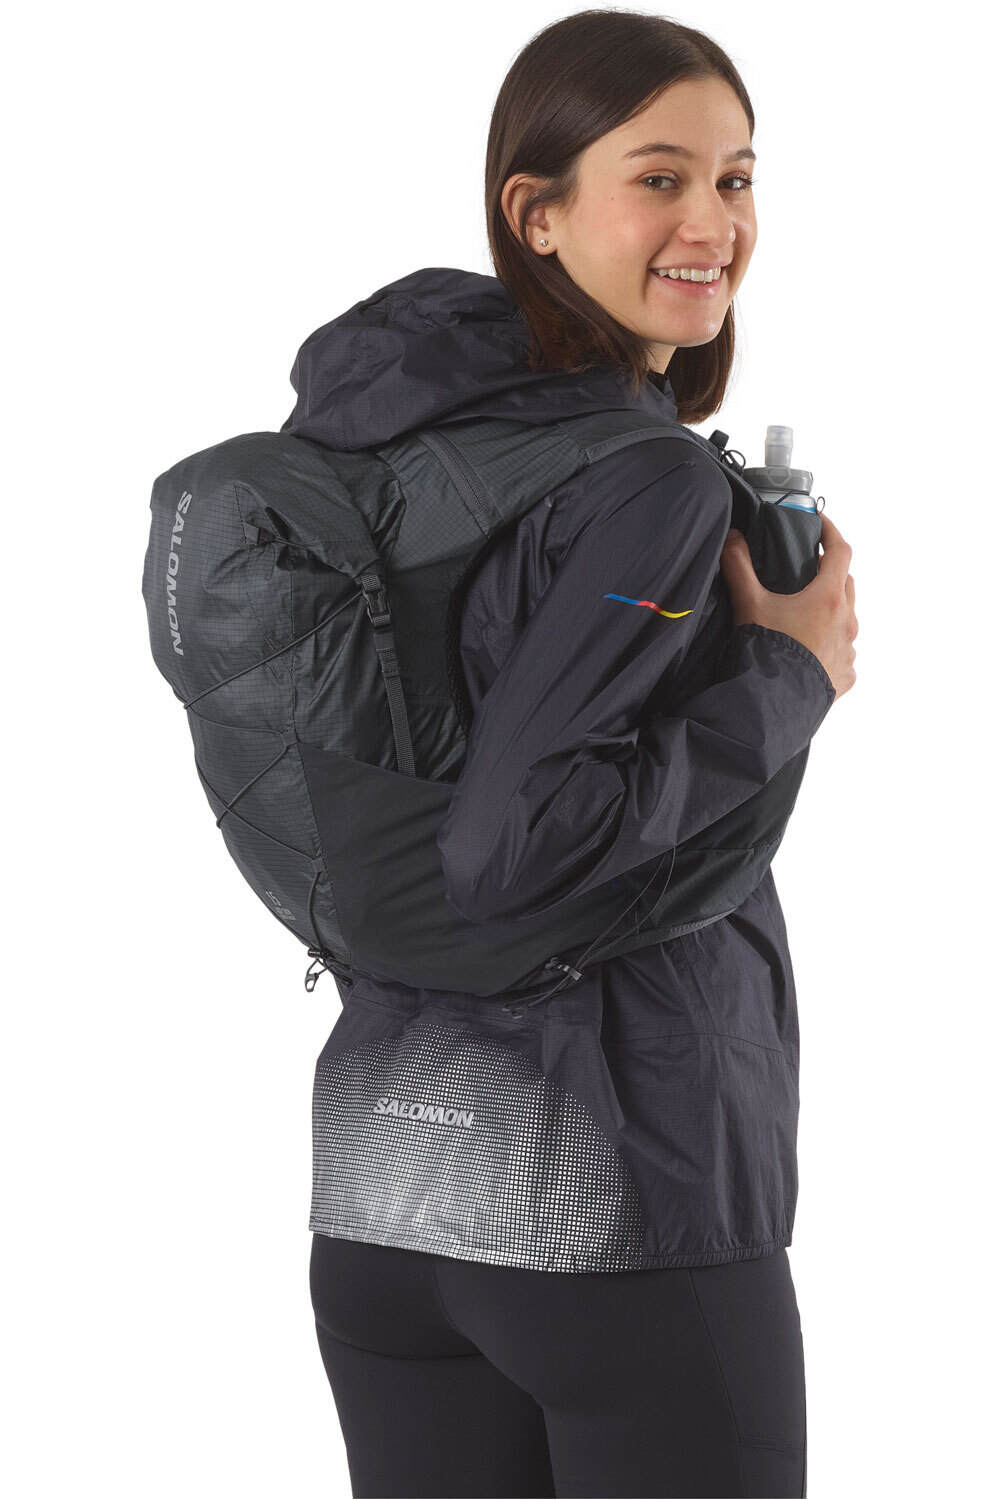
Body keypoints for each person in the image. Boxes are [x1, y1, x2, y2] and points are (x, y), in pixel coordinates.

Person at [298, 13, 857, 1498]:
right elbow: (512, 842)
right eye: (659, 178)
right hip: (621, 1200)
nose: (713, 224)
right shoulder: (647, 479)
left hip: (388, 1196)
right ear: (534, 213)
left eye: (737, 178)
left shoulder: (405, 449)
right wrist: (793, 672)